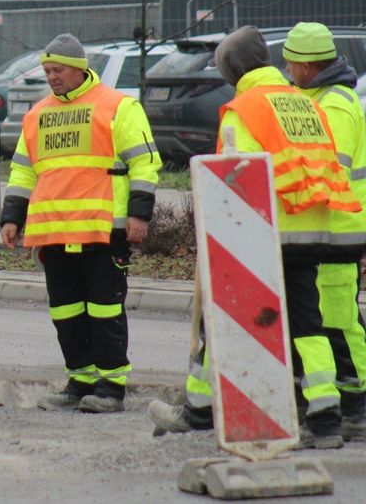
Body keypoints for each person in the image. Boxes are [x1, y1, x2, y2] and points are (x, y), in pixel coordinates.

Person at [149, 25, 363, 448]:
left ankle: (197, 408)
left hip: (266, 237)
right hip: (310, 230)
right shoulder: (303, 103)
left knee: (219, 319)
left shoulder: (245, 108)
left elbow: (237, 179)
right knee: (308, 325)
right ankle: (325, 419)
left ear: (231, 70)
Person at [0, 33, 160, 414]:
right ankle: (80, 381)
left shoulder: (118, 107)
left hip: (104, 229)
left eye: (57, 70)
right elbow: (23, 172)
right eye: (47, 70)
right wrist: (11, 217)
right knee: (66, 311)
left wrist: (139, 214)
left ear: (78, 68)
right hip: (54, 231)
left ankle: (110, 386)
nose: (51, 77)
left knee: (105, 309)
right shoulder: (37, 114)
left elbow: (144, 162)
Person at [284, 23, 366, 442]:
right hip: (324, 225)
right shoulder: (313, 98)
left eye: (291, 62)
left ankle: (357, 405)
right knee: (326, 317)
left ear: (308, 65)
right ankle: (345, 402)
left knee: (338, 319)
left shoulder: (335, 105)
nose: (286, 68)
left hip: (339, 225)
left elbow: (327, 165)